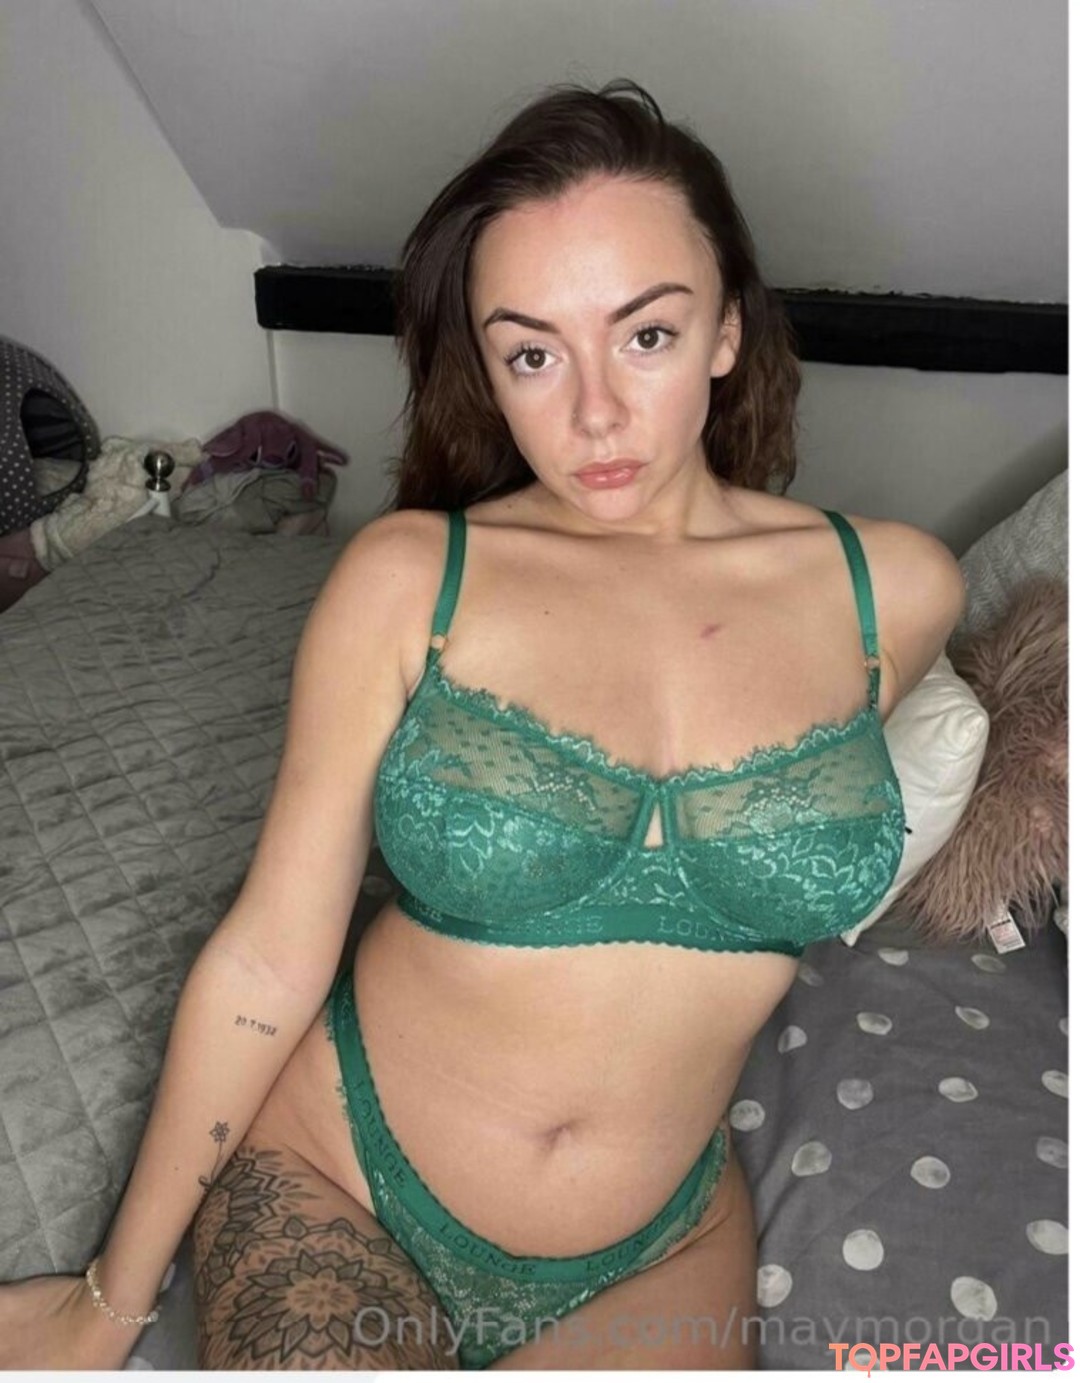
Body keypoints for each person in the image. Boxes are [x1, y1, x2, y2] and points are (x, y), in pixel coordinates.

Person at [0, 79, 965, 1371]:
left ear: (727, 332)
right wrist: (106, 1305)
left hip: (662, 1243)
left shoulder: (892, 592)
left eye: (646, 335)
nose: (594, 414)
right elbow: (269, 959)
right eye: (532, 355)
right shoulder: (409, 580)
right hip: (342, 1175)